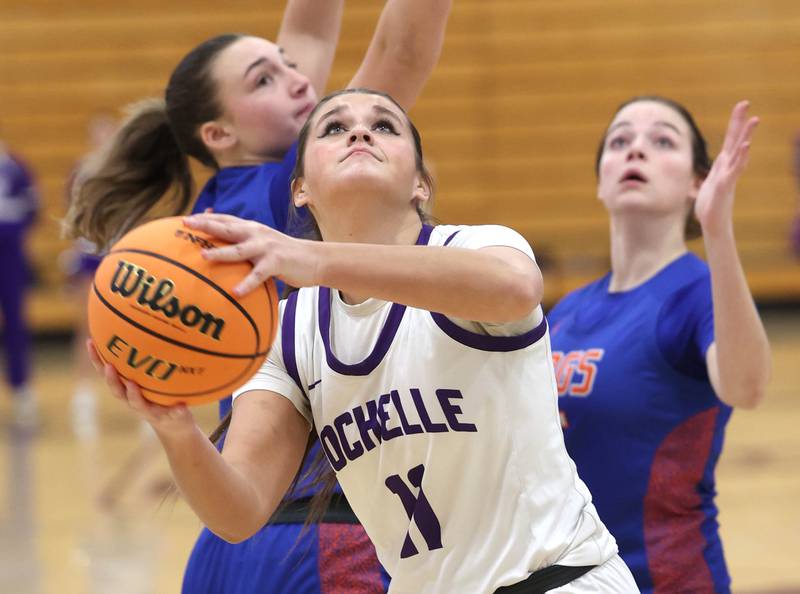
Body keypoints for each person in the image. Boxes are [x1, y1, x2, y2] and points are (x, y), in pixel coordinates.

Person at [89, 88, 639, 593]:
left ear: (420, 182)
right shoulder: (286, 329)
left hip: (561, 579)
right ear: (300, 189)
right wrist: (175, 427)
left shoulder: (475, 245)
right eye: (333, 128)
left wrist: (312, 259)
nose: (360, 132)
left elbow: (516, 289)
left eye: (384, 125)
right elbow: (238, 513)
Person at [66, 2, 451, 592]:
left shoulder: (220, 209)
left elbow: (309, 29)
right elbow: (401, 52)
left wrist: (288, 60)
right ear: (220, 134)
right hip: (325, 538)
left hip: (229, 539)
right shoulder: (289, 193)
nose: (298, 78)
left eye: (287, 66)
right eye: (265, 79)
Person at [548, 97, 771, 594]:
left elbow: (747, 387)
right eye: (620, 140)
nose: (636, 151)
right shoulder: (565, 313)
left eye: (662, 140)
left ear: (698, 182)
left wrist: (718, 230)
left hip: (667, 581)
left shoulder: (696, 294)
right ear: (600, 180)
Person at [64, 113, 119, 439]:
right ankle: (83, 395)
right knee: (85, 325)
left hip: (118, 255)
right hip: (87, 255)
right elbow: (70, 216)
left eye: (108, 132)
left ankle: (146, 395)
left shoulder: (129, 171)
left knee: (130, 326)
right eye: (98, 133)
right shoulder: (81, 172)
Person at [0, 139, 39, 431]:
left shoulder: (16, 168)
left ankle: (22, 392)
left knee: (15, 322)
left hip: (10, 256)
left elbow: (33, 209)